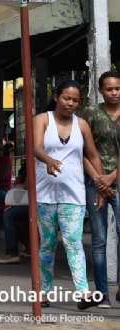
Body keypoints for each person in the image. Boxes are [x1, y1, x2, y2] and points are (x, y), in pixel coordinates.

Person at [34, 80, 104, 309]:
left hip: (73, 195)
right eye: (67, 98)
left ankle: (83, 293)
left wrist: (101, 185)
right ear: (56, 97)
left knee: (73, 243)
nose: (71, 103)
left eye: (75, 100)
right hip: (45, 195)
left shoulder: (81, 124)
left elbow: (92, 156)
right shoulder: (42, 119)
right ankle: (43, 293)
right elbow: (35, 148)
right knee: (47, 245)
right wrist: (49, 160)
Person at [81, 71, 120, 308]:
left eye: (118, 88)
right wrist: (98, 180)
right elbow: (82, 151)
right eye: (109, 89)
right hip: (93, 182)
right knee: (99, 238)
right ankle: (102, 293)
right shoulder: (91, 114)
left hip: (116, 179)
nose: (114, 93)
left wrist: (111, 177)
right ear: (100, 90)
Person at [0, 162, 29, 264]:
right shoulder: (28, 164)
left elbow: (28, 183)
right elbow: (19, 182)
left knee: (10, 214)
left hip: (40, 203)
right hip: (28, 201)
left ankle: (12, 252)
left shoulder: (38, 164)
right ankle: (25, 248)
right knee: (7, 211)